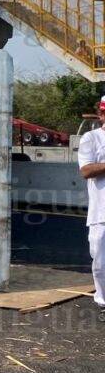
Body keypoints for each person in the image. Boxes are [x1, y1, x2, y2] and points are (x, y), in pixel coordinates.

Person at [77, 96, 105, 323]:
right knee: (100, 261)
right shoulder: (91, 138)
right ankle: (103, 301)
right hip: (101, 213)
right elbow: (86, 170)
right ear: (101, 114)